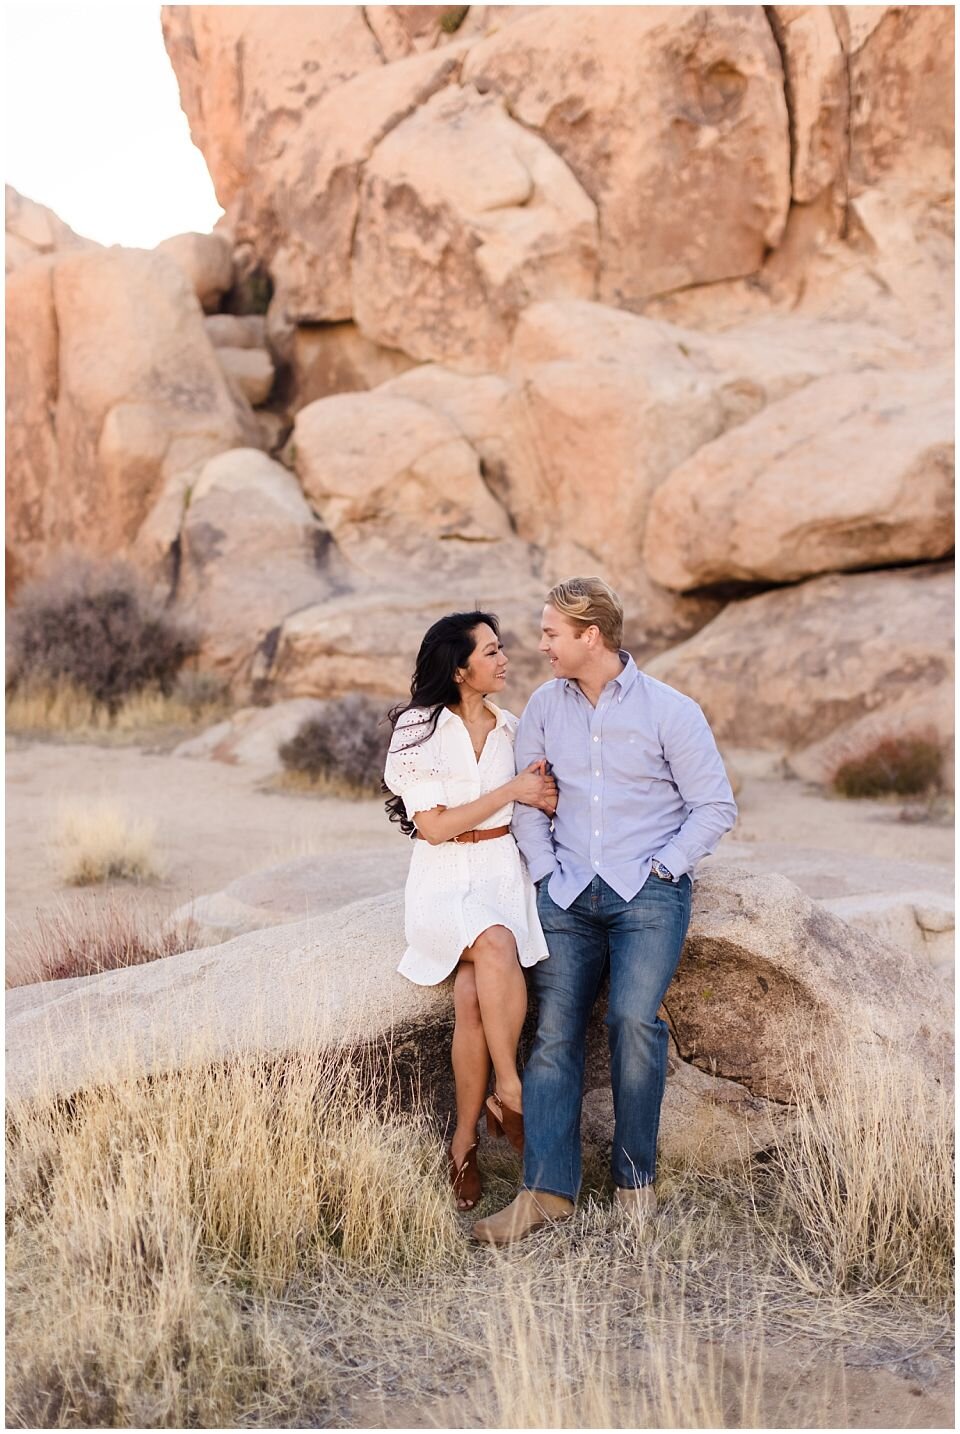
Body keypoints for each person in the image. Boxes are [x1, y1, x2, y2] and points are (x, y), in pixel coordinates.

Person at [472, 577, 737, 1245]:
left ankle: (634, 1186)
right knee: (554, 1037)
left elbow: (715, 807)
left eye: (552, 634)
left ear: (591, 637)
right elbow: (531, 798)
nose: (540, 646)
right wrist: (545, 875)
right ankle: (547, 1193)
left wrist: (665, 867)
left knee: (631, 1022)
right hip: (565, 896)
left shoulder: (670, 710)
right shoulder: (543, 706)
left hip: (647, 892)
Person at [383, 610, 557, 1212]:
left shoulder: (513, 729)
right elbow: (432, 828)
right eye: (490, 651)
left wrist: (543, 795)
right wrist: (510, 792)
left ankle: (462, 1146)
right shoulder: (417, 729)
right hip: (443, 879)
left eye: (501, 647)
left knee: (470, 998)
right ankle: (510, 1091)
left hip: (501, 874)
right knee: (496, 945)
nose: (505, 658)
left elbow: (541, 798)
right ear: (459, 670)